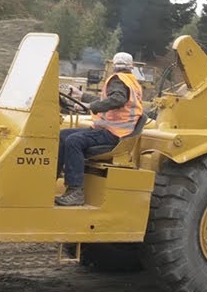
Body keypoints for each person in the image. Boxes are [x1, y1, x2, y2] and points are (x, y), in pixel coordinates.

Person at [55, 52, 144, 206]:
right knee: (63, 135)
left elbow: (117, 99)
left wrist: (91, 106)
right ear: (132, 66)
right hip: (111, 130)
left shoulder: (118, 80)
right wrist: (81, 95)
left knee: (73, 141)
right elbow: (107, 100)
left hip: (113, 133)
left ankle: (75, 190)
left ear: (114, 66)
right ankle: (52, 178)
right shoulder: (130, 81)